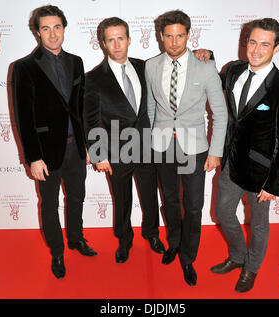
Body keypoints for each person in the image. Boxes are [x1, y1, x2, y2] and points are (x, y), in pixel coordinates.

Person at [210, 18, 279, 293]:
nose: (257, 49)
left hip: (261, 171)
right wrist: (208, 57)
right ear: (245, 42)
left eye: (265, 44)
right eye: (252, 42)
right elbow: (215, 83)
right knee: (223, 214)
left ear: (277, 48)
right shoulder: (234, 70)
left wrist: (274, 183)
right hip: (230, 163)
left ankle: (251, 268)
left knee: (259, 225)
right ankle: (238, 256)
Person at [11, 5, 97, 280]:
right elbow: (23, 116)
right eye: (45, 28)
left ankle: (76, 239)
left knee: (77, 197)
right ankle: (57, 252)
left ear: (64, 29)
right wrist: (33, 158)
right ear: (37, 32)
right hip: (46, 153)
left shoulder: (77, 61)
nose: (52, 33)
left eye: (56, 27)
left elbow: (81, 107)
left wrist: (87, 146)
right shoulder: (24, 67)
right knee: (49, 204)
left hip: (76, 148)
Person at [146, 10, 228, 286]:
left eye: (180, 35)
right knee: (169, 200)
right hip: (162, 145)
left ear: (189, 35)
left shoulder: (205, 66)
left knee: (193, 205)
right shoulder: (151, 66)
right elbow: (150, 108)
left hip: (195, 148)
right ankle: (174, 243)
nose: (174, 42)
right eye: (168, 36)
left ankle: (188, 257)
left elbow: (220, 112)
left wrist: (216, 151)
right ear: (160, 37)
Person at [83, 17, 165, 263]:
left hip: (147, 147)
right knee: (122, 199)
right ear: (103, 44)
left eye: (121, 38)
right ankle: (124, 239)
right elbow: (90, 121)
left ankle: (152, 234)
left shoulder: (145, 67)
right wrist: (98, 154)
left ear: (129, 40)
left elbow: (175, 63)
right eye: (111, 39)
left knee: (151, 195)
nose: (117, 44)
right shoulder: (94, 78)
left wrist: (205, 53)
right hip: (116, 152)